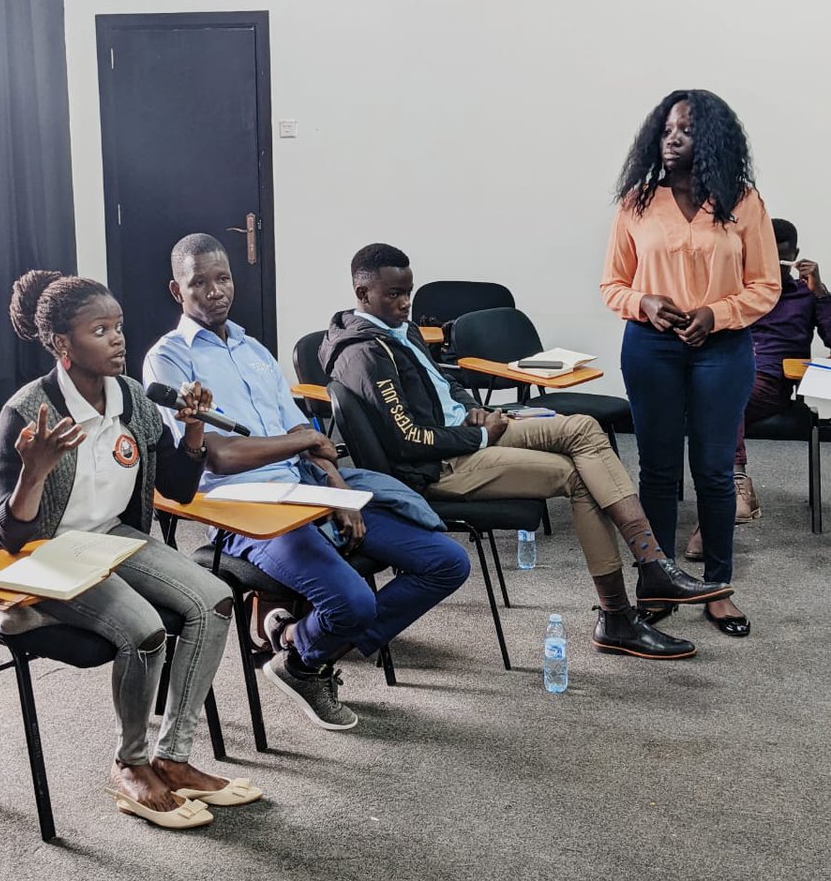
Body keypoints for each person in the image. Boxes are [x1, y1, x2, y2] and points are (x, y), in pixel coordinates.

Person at [319, 243, 730, 662]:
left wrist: (472, 409)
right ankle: (619, 615)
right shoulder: (363, 353)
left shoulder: (400, 329)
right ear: (362, 292)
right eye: (393, 294)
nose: (405, 303)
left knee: (584, 429)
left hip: (465, 432)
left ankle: (652, 566)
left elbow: (444, 382)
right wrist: (479, 437)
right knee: (578, 477)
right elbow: (405, 440)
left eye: (409, 291)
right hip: (437, 466)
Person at [143, 234, 470, 733]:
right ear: (176, 290)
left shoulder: (253, 349)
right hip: (245, 512)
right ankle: (306, 660)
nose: (215, 291)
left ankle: (299, 647)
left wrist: (338, 490)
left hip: (306, 488)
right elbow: (222, 455)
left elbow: (304, 433)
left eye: (223, 278)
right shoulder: (168, 358)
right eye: (199, 283)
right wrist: (301, 448)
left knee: (446, 562)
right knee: (355, 603)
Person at [0, 270, 262, 830]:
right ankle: (129, 764)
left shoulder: (132, 397)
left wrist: (193, 432)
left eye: (119, 327)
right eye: (100, 329)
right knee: (145, 629)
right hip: (51, 552)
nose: (117, 339)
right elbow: (7, 537)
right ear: (62, 344)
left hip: (113, 537)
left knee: (215, 599)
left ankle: (173, 757)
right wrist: (32, 474)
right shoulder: (28, 410)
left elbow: (177, 490)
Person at [602, 89, 781, 638]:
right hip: (650, 346)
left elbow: (766, 285)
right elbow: (612, 285)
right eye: (666, 130)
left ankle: (719, 588)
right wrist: (644, 303)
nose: (673, 138)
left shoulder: (742, 200)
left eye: (686, 129)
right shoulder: (636, 201)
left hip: (721, 349)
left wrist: (717, 313)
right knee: (656, 470)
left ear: (712, 140)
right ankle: (658, 581)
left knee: (713, 470)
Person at [685, 218, 831, 559]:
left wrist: (821, 292)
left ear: (795, 256)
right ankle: (721, 509)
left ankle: (731, 490)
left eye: (782, 259)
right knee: (714, 400)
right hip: (726, 374)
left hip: (771, 382)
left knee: (720, 404)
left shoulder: (807, 295)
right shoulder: (741, 291)